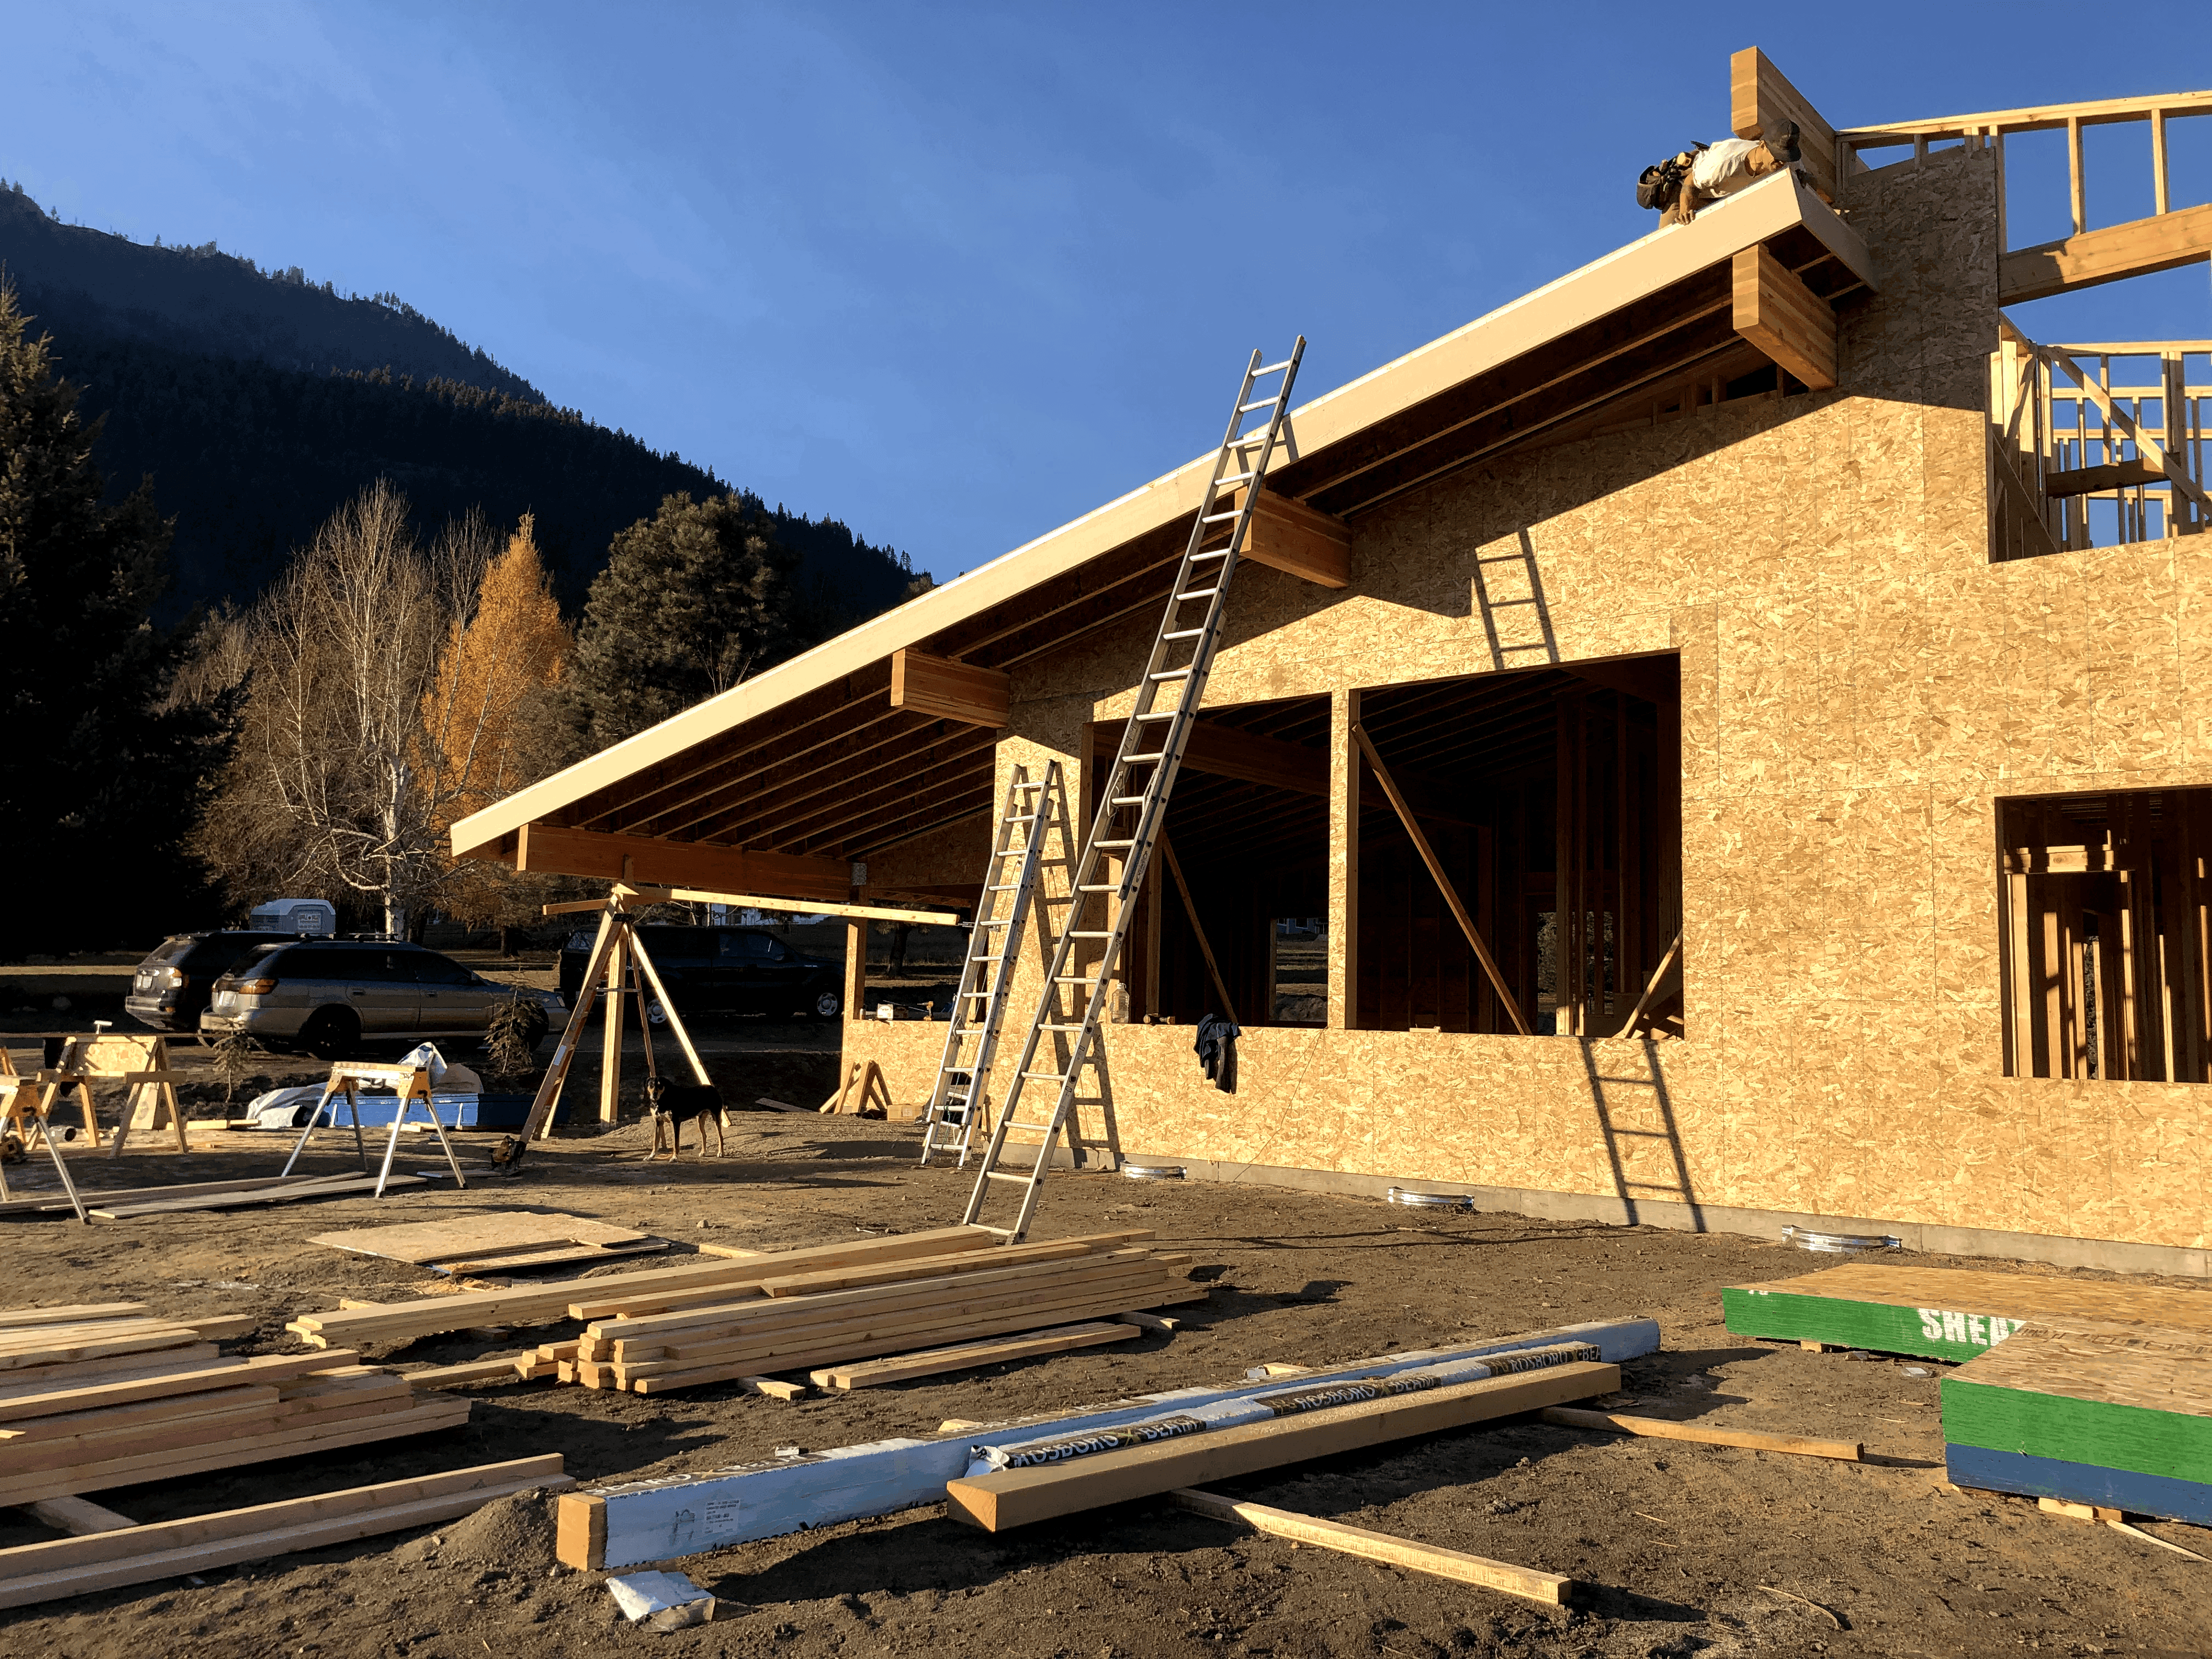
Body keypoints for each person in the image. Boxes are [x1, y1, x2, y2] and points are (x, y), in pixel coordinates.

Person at [1638, 123, 1801, 226]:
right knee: (1669, 244)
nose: (1782, 162)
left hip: (1716, 193)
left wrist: (1806, 181)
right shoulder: (1725, 163)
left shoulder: (1785, 162)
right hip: (1686, 190)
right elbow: (1691, 183)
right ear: (1763, 145)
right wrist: (1685, 211)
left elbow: (1806, 177)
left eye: (1786, 158)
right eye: (1778, 156)